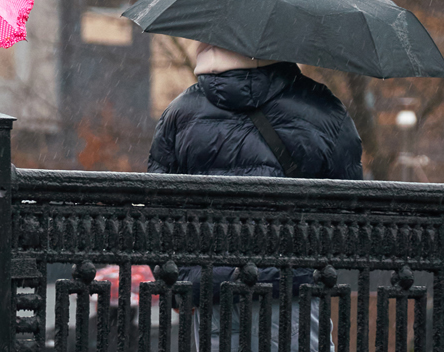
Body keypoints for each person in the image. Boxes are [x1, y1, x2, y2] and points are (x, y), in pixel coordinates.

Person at [147, 44, 363, 351]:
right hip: (291, 290)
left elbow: (157, 211)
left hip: (214, 291)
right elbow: (351, 207)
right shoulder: (322, 109)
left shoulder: (181, 112)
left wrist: (181, 282)